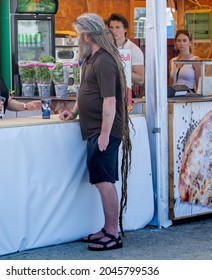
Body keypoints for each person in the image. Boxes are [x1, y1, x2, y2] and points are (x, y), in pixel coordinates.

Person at [59, 13, 132, 251]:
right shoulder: (91, 58)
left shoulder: (105, 61)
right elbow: (85, 91)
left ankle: (112, 233)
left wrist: (104, 133)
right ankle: (106, 229)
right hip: (94, 129)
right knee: (101, 179)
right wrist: (74, 112)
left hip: (105, 131)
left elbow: (109, 101)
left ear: (87, 34)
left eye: (79, 33)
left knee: (104, 181)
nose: (77, 38)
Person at [107, 13, 145, 88]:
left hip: (126, 92)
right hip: (107, 90)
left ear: (125, 29)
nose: (114, 31)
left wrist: (120, 70)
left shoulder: (134, 50)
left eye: (117, 27)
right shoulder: (105, 48)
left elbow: (141, 79)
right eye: (111, 28)